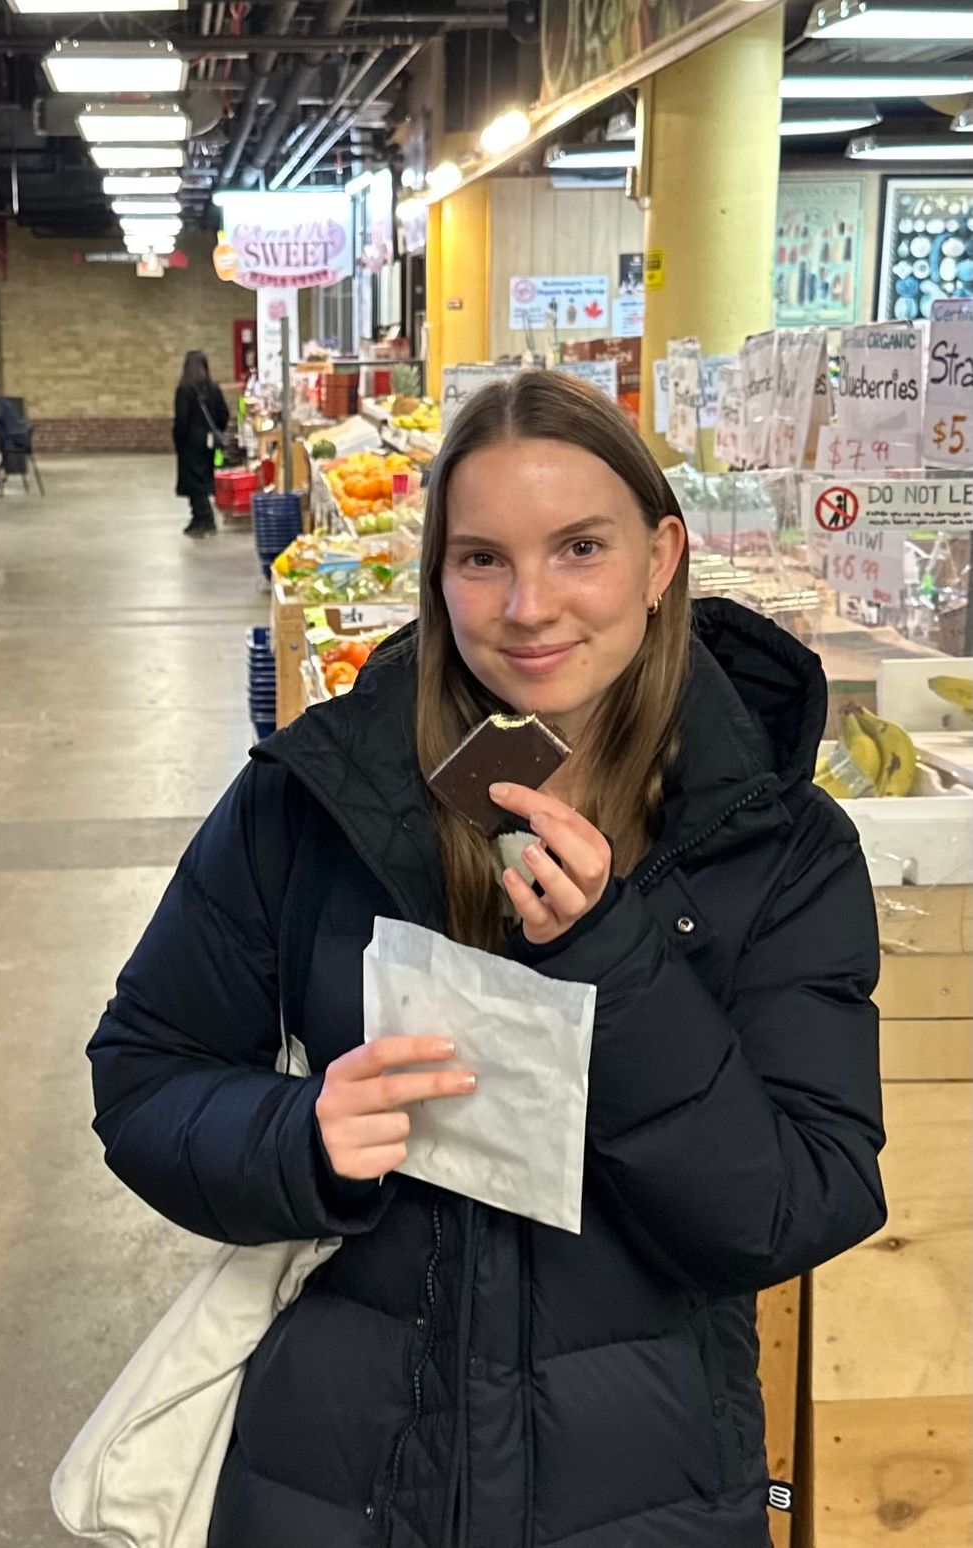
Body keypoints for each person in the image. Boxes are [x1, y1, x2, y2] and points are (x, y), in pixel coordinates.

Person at [88, 372, 886, 1548]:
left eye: (578, 549)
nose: (527, 606)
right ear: (436, 571)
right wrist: (297, 1138)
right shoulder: (318, 800)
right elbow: (145, 1075)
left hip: (641, 1486)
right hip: (338, 1480)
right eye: (480, 559)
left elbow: (799, 1202)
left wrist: (614, 964)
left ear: (661, 559)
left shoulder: (773, 846)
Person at [173, 350, 229, 538]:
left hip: (190, 444)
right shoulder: (214, 388)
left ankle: (206, 520)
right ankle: (197, 518)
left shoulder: (184, 389)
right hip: (209, 442)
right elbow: (224, 415)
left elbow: (182, 420)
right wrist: (216, 432)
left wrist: (178, 441)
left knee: (193, 483)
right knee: (204, 478)